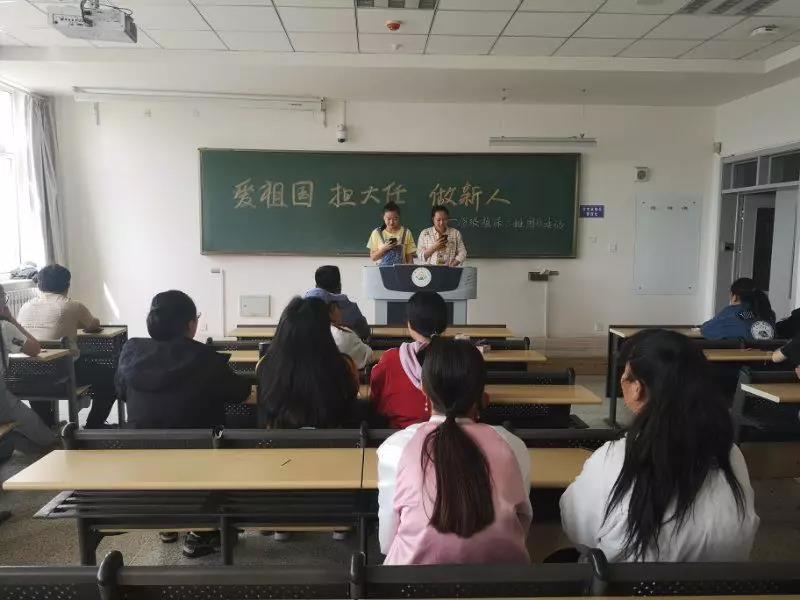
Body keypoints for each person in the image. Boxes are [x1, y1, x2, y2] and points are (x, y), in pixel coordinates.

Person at [560, 329, 759, 562]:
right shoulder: (731, 455)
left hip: (622, 584)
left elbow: (576, 528)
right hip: (722, 584)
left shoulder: (614, 459)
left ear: (637, 388)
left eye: (625, 373)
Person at [115, 290, 251, 558]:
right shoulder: (205, 358)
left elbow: (121, 392)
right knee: (230, 441)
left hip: (143, 462)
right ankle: (202, 532)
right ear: (190, 324)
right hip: (198, 461)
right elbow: (240, 393)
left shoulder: (131, 351)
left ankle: (167, 523)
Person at [377, 338, 531, 565]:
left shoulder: (396, 448)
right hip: (502, 579)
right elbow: (522, 523)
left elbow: (387, 542)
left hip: (411, 582)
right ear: (481, 393)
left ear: (424, 390)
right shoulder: (512, 445)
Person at [16, 264, 115, 428]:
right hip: (62, 375)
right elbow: (93, 326)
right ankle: (94, 425)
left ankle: (49, 425)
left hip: (28, 375)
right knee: (111, 376)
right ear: (67, 285)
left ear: (40, 285)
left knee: (39, 371)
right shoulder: (72, 306)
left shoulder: (25, 306)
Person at [258, 296, 361, 428]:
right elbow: (349, 407)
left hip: (280, 439)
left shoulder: (264, 366)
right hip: (333, 438)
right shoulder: (346, 366)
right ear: (325, 331)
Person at [370, 291, 448, 429]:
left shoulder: (390, 360)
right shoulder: (461, 357)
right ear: (444, 323)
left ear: (410, 324)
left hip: (399, 436)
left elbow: (376, 402)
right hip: (453, 436)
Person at [0, 283, 57, 456]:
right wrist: (11, 319)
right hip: (2, 401)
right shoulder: (4, 327)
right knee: (48, 440)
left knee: (17, 433)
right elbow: (34, 348)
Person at [304, 288, 374, 370]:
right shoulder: (343, 336)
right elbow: (369, 356)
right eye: (338, 306)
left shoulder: (301, 337)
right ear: (332, 310)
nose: (341, 311)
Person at [700, 278, 776, 340]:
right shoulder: (766, 313)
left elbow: (707, 329)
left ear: (735, 296)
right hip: (766, 354)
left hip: (737, 353)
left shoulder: (731, 313)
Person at [311, 265, 370, 341]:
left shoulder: (305, 310)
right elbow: (365, 333)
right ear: (339, 286)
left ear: (316, 287)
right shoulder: (351, 308)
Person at [367, 201, 416, 266]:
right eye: (388, 219)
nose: (391, 222)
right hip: (381, 271)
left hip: (400, 270)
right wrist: (384, 248)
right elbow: (373, 258)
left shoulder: (406, 232)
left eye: (395, 219)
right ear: (383, 217)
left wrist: (410, 270)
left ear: (399, 217)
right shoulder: (377, 232)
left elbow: (409, 259)